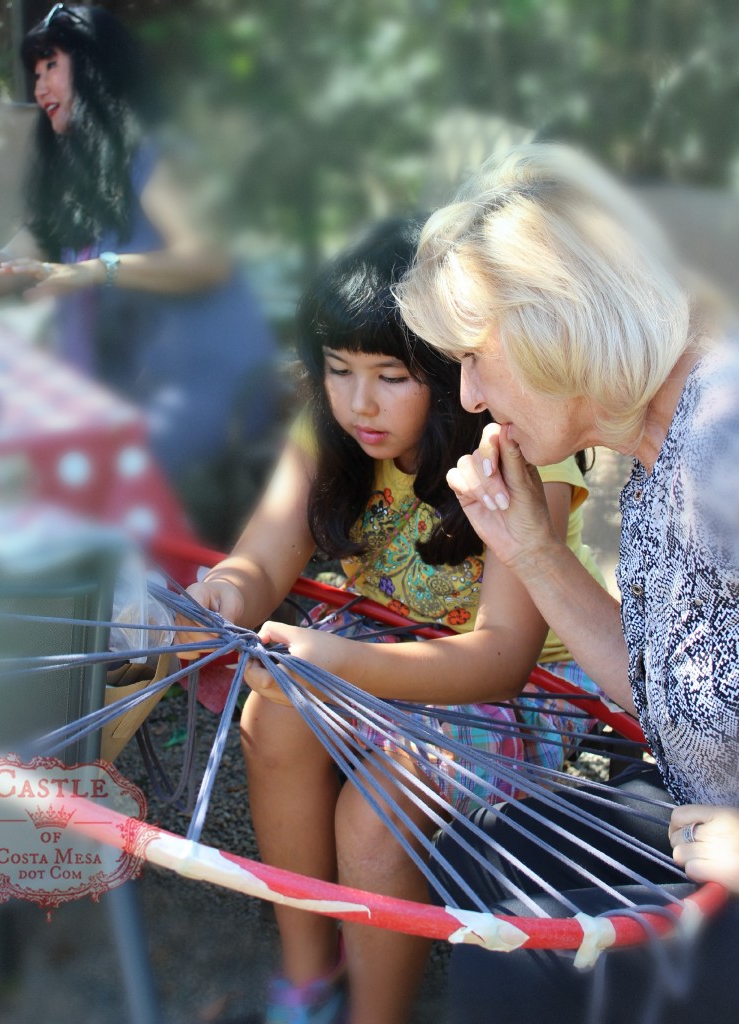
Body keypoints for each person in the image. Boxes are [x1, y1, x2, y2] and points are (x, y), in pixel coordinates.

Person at [179, 216, 605, 1024]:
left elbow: (502, 657)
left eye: (392, 376)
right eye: (337, 370)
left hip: (520, 686)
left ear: (450, 374)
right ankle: (309, 978)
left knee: (376, 818)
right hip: (383, 644)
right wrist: (222, 599)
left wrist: (335, 663)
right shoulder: (331, 429)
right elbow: (262, 560)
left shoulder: (516, 445)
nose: (359, 403)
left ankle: (379, 1014)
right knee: (273, 715)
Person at [395, 141, 739, 1022]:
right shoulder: (660, 441)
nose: (469, 395)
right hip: (706, 828)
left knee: (525, 959)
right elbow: (676, 701)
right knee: (507, 854)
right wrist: (532, 550)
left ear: (564, 318)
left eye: (475, 355)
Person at [0, 4, 279, 543]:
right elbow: (12, 262)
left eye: (52, 63)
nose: (40, 82)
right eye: (36, 69)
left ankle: (143, 617)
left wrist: (98, 271)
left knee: (44, 475)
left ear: (96, 67)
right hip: (128, 389)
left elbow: (206, 260)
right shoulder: (72, 181)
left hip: (198, 385)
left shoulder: (151, 155)